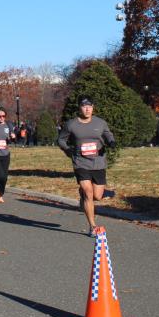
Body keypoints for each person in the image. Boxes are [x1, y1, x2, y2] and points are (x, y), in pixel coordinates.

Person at [57, 96, 115, 237]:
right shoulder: (71, 124)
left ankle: (83, 195)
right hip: (80, 162)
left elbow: (108, 134)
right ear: (79, 108)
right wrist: (68, 150)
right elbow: (61, 140)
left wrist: (111, 142)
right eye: (84, 106)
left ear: (93, 107)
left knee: (97, 196)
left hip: (98, 162)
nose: (87, 109)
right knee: (88, 192)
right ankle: (92, 226)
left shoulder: (100, 123)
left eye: (90, 106)